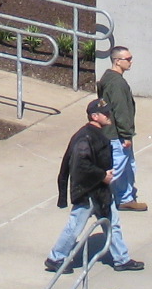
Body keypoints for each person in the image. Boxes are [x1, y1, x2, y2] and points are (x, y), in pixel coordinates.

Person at [45, 98, 143, 272]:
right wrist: (102, 175)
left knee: (112, 223)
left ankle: (122, 259)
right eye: (105, 113)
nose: (108, 115)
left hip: (101, 191)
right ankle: (56, 258)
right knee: (75, 225)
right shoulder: (85, 138)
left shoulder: (96, 134)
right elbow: (80, 165)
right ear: (94, 116)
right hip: (88, 192)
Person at [98, 45, 145, 211]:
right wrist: (126, 135)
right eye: (128, 59)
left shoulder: (108, 78)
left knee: (127, 167)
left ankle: (125, 198)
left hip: (114, 133)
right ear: (117, 61)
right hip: (117, 135)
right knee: (116, 170)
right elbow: (120, 111)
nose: (131, 62)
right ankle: (95, 200)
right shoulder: (117, 83)